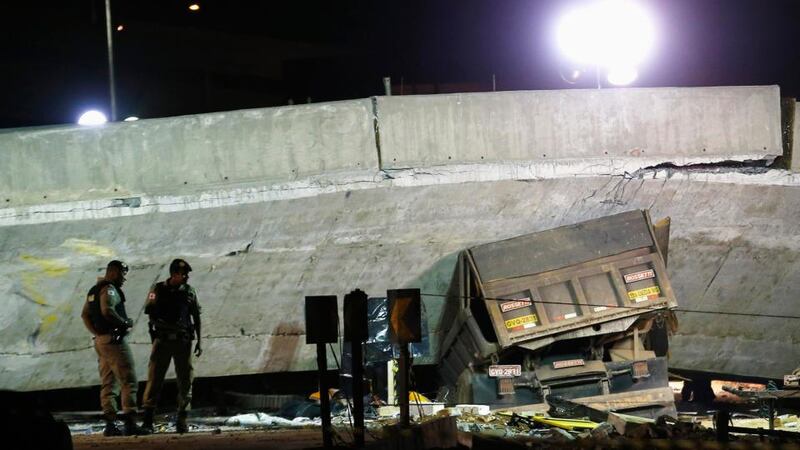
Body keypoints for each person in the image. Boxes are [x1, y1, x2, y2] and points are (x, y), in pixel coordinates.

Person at [80, 260, 149, 436]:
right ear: (112, 272)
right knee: (129, 381)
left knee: (108, 383)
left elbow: (85, 315)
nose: (124, 278)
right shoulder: (109, 289)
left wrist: (97, 333)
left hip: (101, 342)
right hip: (114, 342)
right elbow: (107, 310)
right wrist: (124, 322)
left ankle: (110, 424)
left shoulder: (94, 290)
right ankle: (131, 422)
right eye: (122, 273)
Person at [141, 258, 202, 434]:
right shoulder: (157, 289)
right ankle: (148, 420)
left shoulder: (190, 292)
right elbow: (149, 311)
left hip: (182, 342)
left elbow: (196, 317)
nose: (186, 278)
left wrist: (199, 341)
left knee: (185, 380)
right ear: (174, 274)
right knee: (154, 379)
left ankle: (182, 418)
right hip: (163, 341)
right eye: (184, 275)